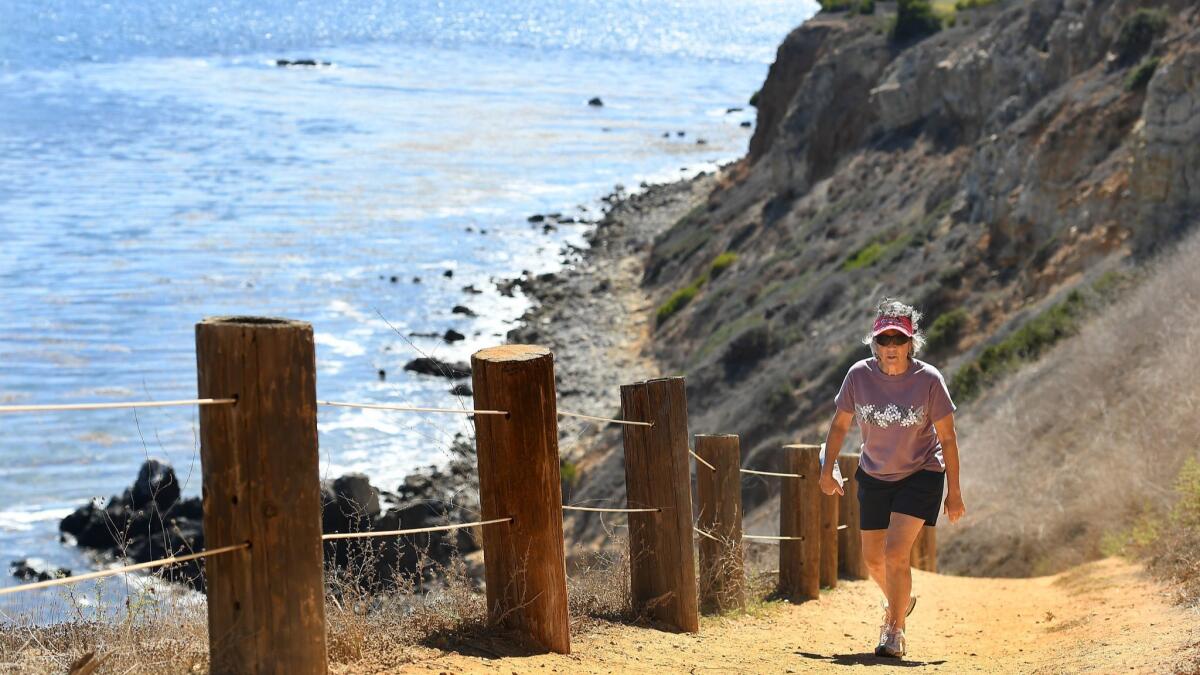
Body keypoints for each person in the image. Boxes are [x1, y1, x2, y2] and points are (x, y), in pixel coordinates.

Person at [818, 298, 966, 659]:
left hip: (921, 473)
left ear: (911, 343)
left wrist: (955, 493)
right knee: (873, 560)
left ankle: (894, 629)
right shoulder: (858, 375)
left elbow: (947, 438)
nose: (891, 348)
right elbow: (839, 425)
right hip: (874, 474)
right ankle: (902, 601)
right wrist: (827, 468)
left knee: (896, 552)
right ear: (874, 343)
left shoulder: (929, 380)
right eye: (883, 340)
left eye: (898, 340)